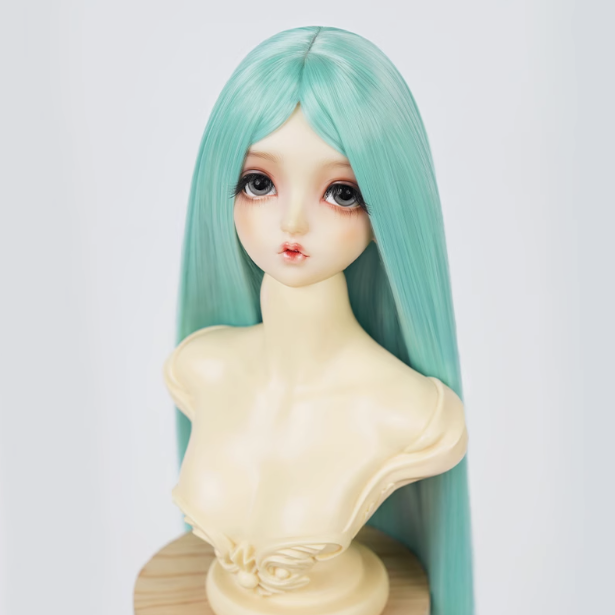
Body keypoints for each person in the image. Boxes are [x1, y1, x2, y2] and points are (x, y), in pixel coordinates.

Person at [165, 25, 474, 615]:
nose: (293, 224)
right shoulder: (199, 366)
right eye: (259, 183)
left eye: (341, 192)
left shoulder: (411, 415)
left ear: (388, 209)